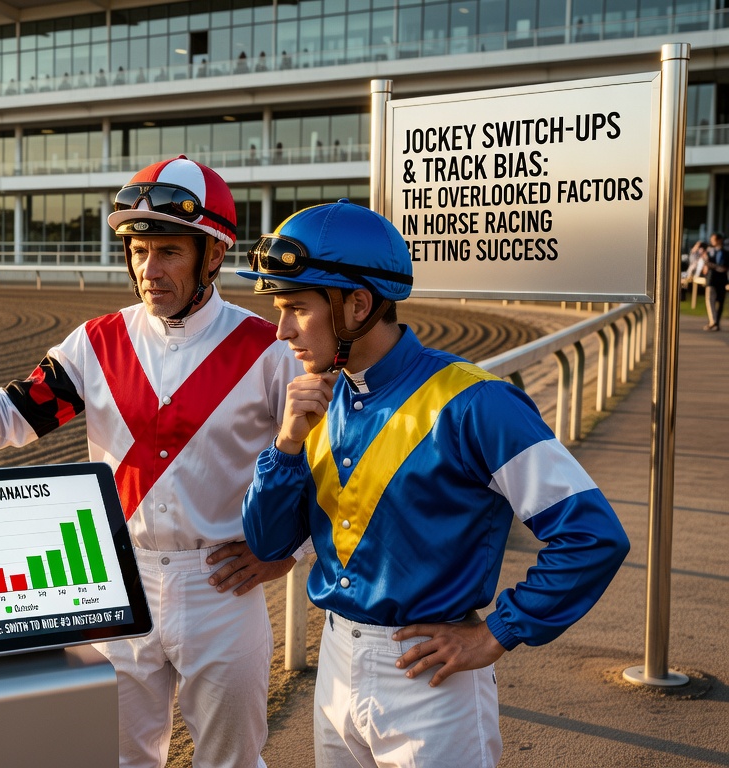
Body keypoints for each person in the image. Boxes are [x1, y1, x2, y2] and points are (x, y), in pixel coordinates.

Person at [0, 156, 308, 768]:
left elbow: (325, 463)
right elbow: (9, 419)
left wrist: (289, 552)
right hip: (115, 587)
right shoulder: (96, 341)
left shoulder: (269, 349)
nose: (148, 270)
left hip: (219, 586)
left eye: (168, 253)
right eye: (137, 251)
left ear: (213, 253)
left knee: (231, 762)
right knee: (118, 760)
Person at [237, 200, 630, 768]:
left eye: (296, 308)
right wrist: (287, 446)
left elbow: (593, 536)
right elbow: (269, 544)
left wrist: (497, 633)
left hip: (431, 680)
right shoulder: (319, 400)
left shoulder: (478, 402)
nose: (281, 331)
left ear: (359, 304)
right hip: (335, 669)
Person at [704, 232, 727, 331]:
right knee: (710, 300)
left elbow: (725, 267)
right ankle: (712, 321)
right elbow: (705, 267)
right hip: (711, 279)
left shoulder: (726, 253)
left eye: (713, 239)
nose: (711, 241)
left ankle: (716, 323)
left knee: (720, 302)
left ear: (719, 240)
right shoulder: (708, 252)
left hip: (722, 280)